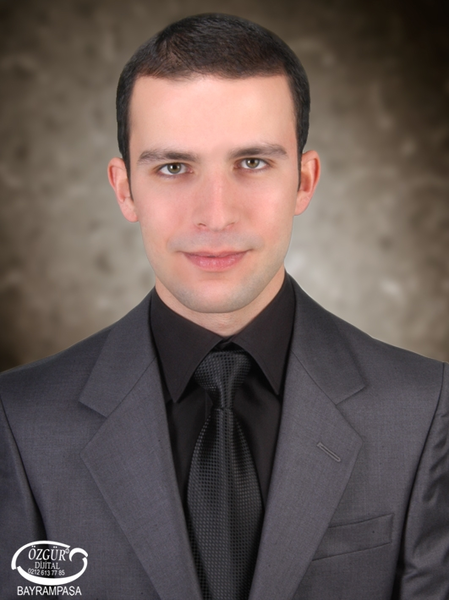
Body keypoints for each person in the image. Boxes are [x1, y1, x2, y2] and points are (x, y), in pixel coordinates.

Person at [1, 13, 448, 600]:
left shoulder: (424, 410)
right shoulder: (20, 421)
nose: (215, 215)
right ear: (125, 189)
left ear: (304, 181)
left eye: (252, 163)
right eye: (174, 167)